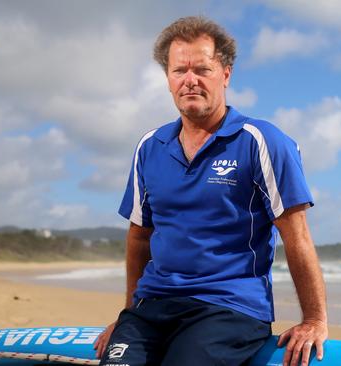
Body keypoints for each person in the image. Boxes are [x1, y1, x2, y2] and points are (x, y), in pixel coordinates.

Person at [93, 16, 328, 366]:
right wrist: (129, 315)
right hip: (152, 308)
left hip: (229, 308)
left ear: (226, 74)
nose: (190, 81)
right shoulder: (150, 147)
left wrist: (314, 320)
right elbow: (139, 237)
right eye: (179, 71)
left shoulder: (261, 141)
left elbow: (297, 236)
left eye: (202, 69)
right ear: (168, 79)